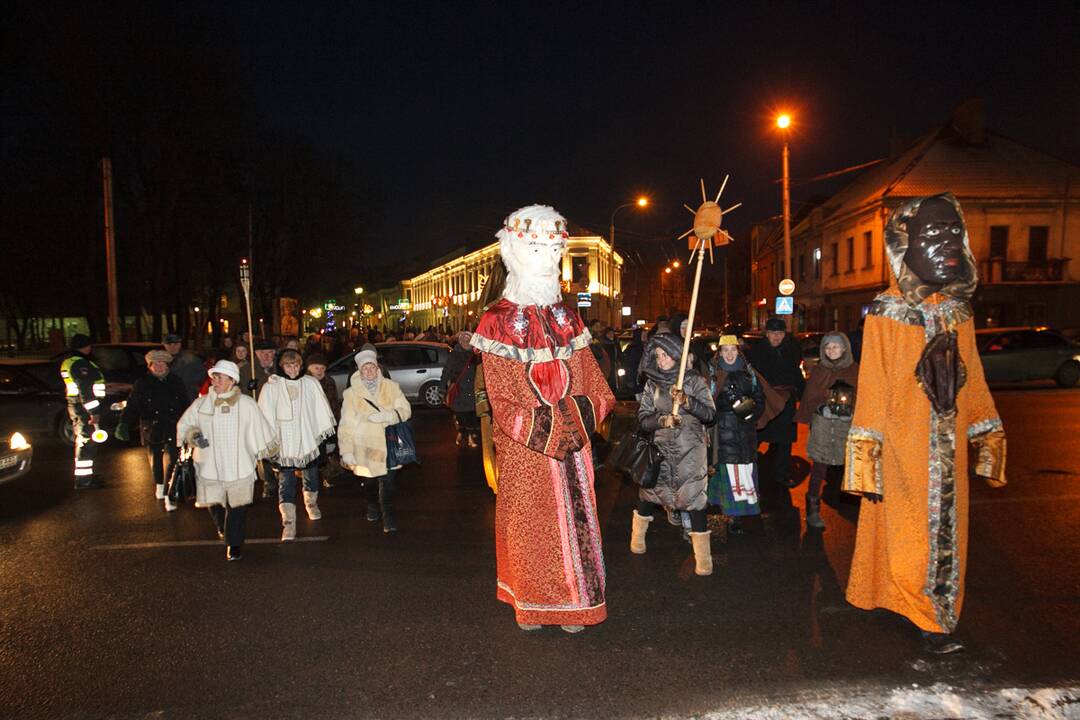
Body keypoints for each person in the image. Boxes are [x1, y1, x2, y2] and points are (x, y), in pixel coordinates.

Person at [843, 193, 1006, 655]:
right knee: (912, 527)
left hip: (947, 447)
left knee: (941, 529)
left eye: (955, 232)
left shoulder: (959, 312)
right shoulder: (886, 312)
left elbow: (970, 374)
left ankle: (926, 606)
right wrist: (866, 451)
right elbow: (873, 382)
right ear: (905, 242)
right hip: (902, 443)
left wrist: (985, 430)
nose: (948, 242)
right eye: (933, 233)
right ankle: (922, 611)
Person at [470, 205, 615, 633]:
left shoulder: (568, 318)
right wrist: (549, 428)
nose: (548, 260)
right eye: (537, 249)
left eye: (554, 251)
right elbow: (503, 396)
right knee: (531, 526)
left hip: (573, 445)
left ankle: (575, 603)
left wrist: (581, 418)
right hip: (526, 449)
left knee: (577, 523)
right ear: (515, 252)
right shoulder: (496, 321)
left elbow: (594, 381)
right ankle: (532, 603)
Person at [631, 333, 717, 575]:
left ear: (677, 356)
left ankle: (703, 560)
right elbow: (643, 419)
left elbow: (711, 415)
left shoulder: (694, 381)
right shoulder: (652, 384)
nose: (662, 360)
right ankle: (637, 540)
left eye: (666, 355)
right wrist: (662, 420)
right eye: (657, 355)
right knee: (650, 494)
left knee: (694, 498)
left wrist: (688, 402)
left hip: (690, 451)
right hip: (660, 452)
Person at [177, 360, 276, 561]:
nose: (215, 380)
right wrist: (194, 435)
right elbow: (185, 424)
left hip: (238, 464)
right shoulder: (201, 403)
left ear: (232, 381)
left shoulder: (247, 404)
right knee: (215, 502)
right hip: (209, 464)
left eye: (220, 377)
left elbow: (260, 428)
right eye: (214, 376)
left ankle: (234, 543)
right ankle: (222, 526)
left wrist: (267, 450)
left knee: (237, 506)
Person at [258, 349, 336, 541]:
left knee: (310, 475)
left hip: (307, 437)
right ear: (282, 366)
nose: (292, 369)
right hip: (284, 441)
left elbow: (320, 408)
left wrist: (324, 436)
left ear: (300, 366)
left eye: (295, 365)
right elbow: (264, 414)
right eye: (288, 365)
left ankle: (311, 504)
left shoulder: (310, 383)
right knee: (286, 482)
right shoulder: (272, 386)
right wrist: (268, 439)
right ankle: (289, 523)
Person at [337, 344, 412, 533]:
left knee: (388, 483)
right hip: (364, 446)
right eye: (365, 368)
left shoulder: (391, 387)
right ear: (360, 371)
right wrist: (346, 451)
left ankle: (388, 516)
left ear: (378, 368)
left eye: (372, 367)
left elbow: (405, 410)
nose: (369, 371)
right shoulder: (351, 394)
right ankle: (371, 504)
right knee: (370, 482)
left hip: (389, 443)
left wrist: (388, 416)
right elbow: (346, 425)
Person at [794, 332, 859, 530]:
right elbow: (810, 396)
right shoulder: (819, 370)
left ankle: (854, 506)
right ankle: (813, 507)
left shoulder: (854, 370)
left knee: (849, 467)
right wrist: (823, 406)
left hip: (844, 428)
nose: (831, 351)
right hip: (823, 427)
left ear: (844, 348)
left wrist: (851, 410)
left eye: (835, 347)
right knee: (819, 468)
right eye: (828, 347)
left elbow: (862, 396)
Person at [116, 350, 190, 511]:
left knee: (173, 460)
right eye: (155, 363)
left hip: (173, 425)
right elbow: (133, 405)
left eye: (162, 363)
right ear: (149, 366)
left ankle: (169, 493)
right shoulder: (142, 383)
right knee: (155, 458)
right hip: (152, 427)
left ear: (167, 365)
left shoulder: (176, 381)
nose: (159, 366)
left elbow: (186, 404)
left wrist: (191, 422)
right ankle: (159, 484)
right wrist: (124, 423)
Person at [706, 335, 765, 535]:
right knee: (728, 473)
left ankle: (738, 512)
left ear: (738, 351)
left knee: (743, 472)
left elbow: (759, 398)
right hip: (722, 432)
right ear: (720, 352)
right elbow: (708, 403)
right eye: (725, 350)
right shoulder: (713, 374)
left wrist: (751, 411)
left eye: (733, 350)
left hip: (745, 432)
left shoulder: (749, 373)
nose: (729, 354)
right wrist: (724, 404)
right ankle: (731, 515)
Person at [746, 316, 804, 512]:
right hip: (765, 401)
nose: (776, 337)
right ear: (767, 334)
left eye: (780, 333)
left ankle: (782, 474)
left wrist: (802, 395)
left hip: (786, 401)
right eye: (773, 333)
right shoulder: (756, 353)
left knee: (784, 440)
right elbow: (751, 376)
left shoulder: (791, 351)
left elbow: (797, 375)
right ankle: (749, 476)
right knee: (757, 437)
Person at [60, 334, 107, 489]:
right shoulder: (80, 363)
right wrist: (94, 412)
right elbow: (85, 390)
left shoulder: (70, 361)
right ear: (86, 346)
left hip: (77, 406)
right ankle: (84, 481)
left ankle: (85, 477)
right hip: (84, 409)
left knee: (84, 442)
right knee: (87, 443)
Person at [305, 353, 341, 488]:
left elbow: (334, 403)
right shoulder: (305, 383)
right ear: (309, 368)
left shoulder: (329, 382)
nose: (319, 371)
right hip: (311, 424)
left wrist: (335, 422)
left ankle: (327, 477)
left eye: (322, 368)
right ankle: (311, 482)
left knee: (327, 451)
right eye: (316, 368)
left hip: (327, 423)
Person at [251, 338, 279, 498]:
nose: (266, 356)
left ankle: (281, 477)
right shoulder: (248, 370)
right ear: (256, 354)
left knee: (277, 448)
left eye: (270, 353)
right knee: (262, 451)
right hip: (256, 417)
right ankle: (268, 482)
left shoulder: (280, 370)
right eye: (263, 353)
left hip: (276, 416)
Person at [442, 331, 480, 448]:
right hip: (460, 390)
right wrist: (442, 386)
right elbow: (447, 371)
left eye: (468, 339)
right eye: (463, 339)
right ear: (460, 341)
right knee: (461, 414)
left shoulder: (476, 355)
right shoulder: (454, 355)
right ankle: (462, 432)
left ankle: (469, 435)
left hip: (473, 390)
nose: (466, 342)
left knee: (472, 415)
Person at [162, 334, 205, 403]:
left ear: (180, 344)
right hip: (166, 398)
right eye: (169, 344)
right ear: (164, 345)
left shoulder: (191, 359)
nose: (172, 347)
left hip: (186, 397)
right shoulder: (160, 360)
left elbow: (201, 376)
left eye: (175, 344)